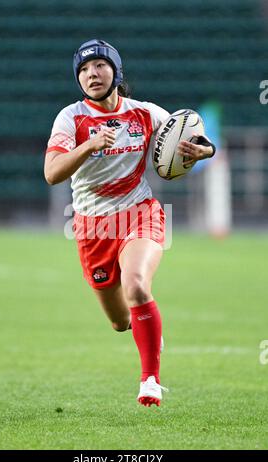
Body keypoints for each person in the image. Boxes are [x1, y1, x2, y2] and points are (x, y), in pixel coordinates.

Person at [44, 39, 215, 407]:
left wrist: (205, 151)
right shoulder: (70, 118)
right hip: (92, 228)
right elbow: (52, 173)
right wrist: (88, 146)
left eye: (100, 66)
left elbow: (191, 138)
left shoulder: (144, 113)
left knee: (137, 286)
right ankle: (143, 329)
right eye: (84, 70)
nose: (92, 74)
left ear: (116, 72)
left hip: (140, 212)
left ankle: (149, 380)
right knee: (120, 322)